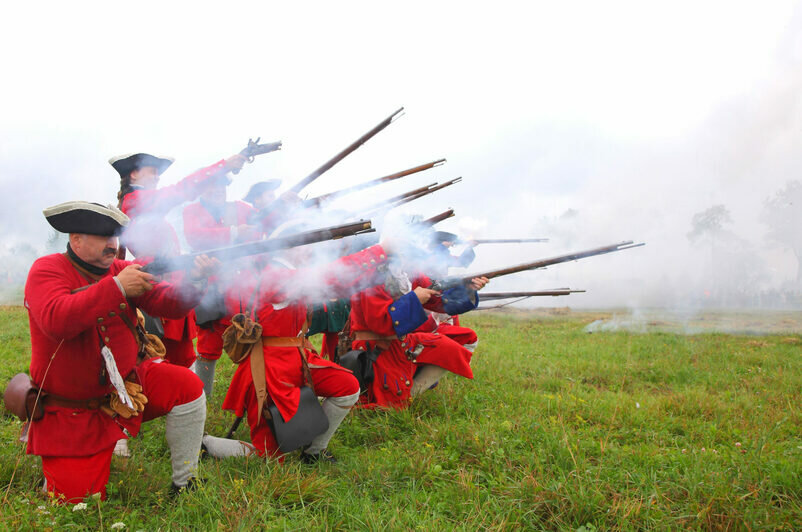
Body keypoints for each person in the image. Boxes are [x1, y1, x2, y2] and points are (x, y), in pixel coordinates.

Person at [23, 201, 217, 502]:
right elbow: (57, 320)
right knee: (79, 502)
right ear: (76, 240)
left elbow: (168, 304)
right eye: (104, 238)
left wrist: (194, 280)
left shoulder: (121, 270)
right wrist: (116, 288)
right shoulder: (47, 269)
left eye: (114, 238)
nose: (113, 245)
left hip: (127, 387)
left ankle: (185, 481)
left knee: (188, 386)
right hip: (75, 410)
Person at [218, 231, 390, 462]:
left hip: (297, 359)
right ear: (291, 246)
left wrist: (380, 260)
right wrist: (379, 251)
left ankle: (314, 451)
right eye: (308, 245)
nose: (313, 250)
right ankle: (208, 444)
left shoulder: (289, 273)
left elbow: (338, 287)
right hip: (270, 370)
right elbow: (328, 277)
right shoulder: (276, 275)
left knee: (348, 387)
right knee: (267, 458)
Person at [111, 151, 246, 369]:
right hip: (155, 283)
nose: (157, 176)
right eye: (152, 171)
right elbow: (180, 190)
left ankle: (191, 398)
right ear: (134, 174)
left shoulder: (146, 204)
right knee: (160, 362)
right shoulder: (136, 200)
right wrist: (223, 165)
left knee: (180, 358)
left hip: (168, 281)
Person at [348, 238, 488, 408]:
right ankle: (404, 399)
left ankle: (411, 395)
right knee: (387, 407)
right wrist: (415, 299)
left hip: (400, 343)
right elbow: (380, 324)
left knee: (448, 348)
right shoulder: (372, 278)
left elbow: (440, 301)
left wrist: (468, 288)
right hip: (376, 347)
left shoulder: (405, 274)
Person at [182, 178, 259, 399]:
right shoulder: (192, 210)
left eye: (221, 185)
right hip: (212, 289)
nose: (218, 190)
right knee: (207, 347)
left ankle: (254, 396)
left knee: (254, 340)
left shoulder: (242, 209)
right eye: (212, 185)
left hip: (244, 287)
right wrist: (234, 232)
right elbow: (195, 236)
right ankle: (201, 400)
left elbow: (263, 224)